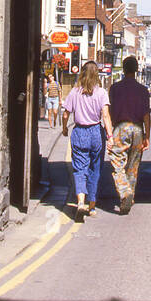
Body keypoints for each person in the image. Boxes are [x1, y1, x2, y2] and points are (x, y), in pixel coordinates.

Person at [62, 61, 113, 221]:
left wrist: (64, 128)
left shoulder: (75, 92)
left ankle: (80, 201)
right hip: (96, 132)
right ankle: (92, 206)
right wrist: (110, 136)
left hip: (79, 131)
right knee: (95, 168)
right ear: (96, 74)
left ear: (82, 73)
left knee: (79, 168)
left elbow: (66, 114)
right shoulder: (101, 93)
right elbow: (105, 116)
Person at [108, 55, 151, 214]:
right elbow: (146, 115)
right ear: (136, 70)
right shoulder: (143, 90)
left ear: (124, 69)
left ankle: (124, 192)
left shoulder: (114, 88)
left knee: (117, 163)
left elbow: (110, 111)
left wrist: (110, 130)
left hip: (121, 127)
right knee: (133, 166)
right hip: (138, 129)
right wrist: (147, 136)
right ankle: (129, 197)